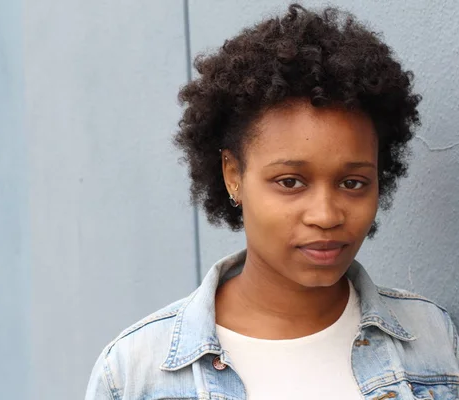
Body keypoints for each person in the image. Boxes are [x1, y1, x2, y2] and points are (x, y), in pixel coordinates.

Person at [85, 4, 459, 399]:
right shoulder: (136, 373)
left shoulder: (431, 338)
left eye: (352, 182)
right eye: (290, 181)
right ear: (233, 174)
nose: (326, 215)